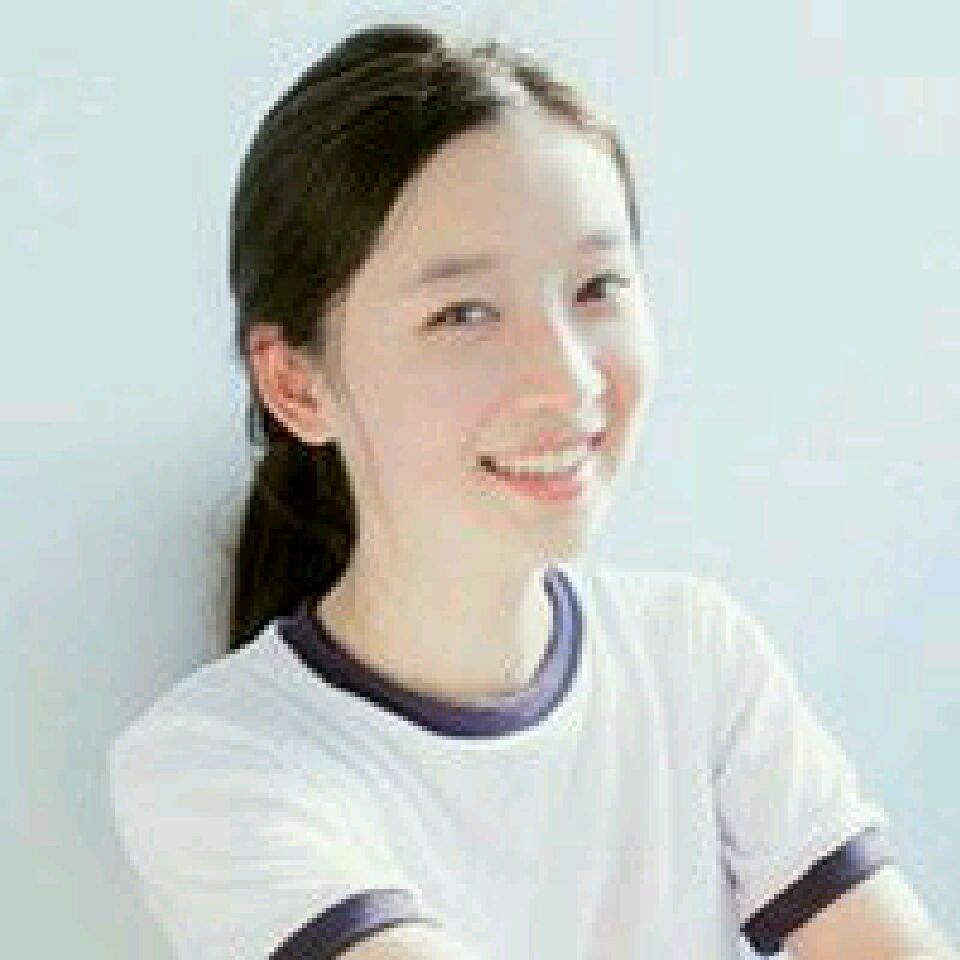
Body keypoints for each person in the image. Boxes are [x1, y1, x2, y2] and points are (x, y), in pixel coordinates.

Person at [106, 22, 957, 960]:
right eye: (464, 313)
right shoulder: (214, 762)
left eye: (597, 287)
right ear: (297, 386)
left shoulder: (692, 655)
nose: (568, 379)